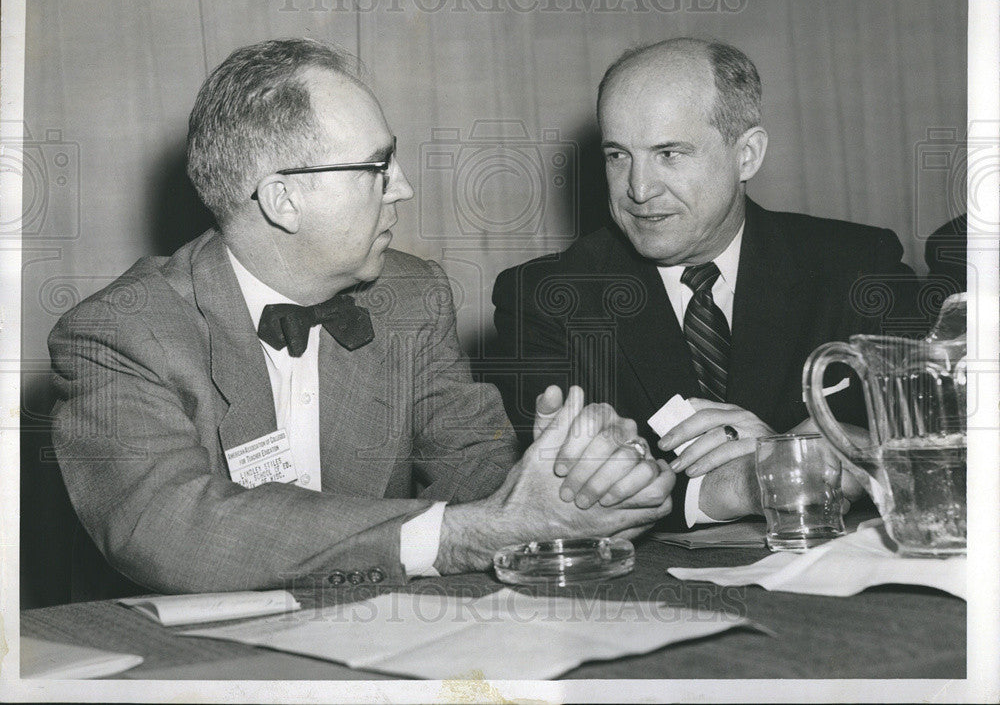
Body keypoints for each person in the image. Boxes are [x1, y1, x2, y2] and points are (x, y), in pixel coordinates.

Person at [49, 38, 676, 597]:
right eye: (377, 167)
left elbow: (476, 468)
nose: (401, 187)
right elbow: (169, 531)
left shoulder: (411, 294)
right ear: (283, 199)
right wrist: (462, 535)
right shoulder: (119, 332)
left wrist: (564, 474)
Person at [492, 37, 918, 529]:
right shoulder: (547, 298)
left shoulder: (857, 266)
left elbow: (946, 448)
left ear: (747, 155)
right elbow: (562, 496)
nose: (638, 189)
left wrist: (865, 450)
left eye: (669, 153)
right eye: (617, 156)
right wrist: (754, 480)